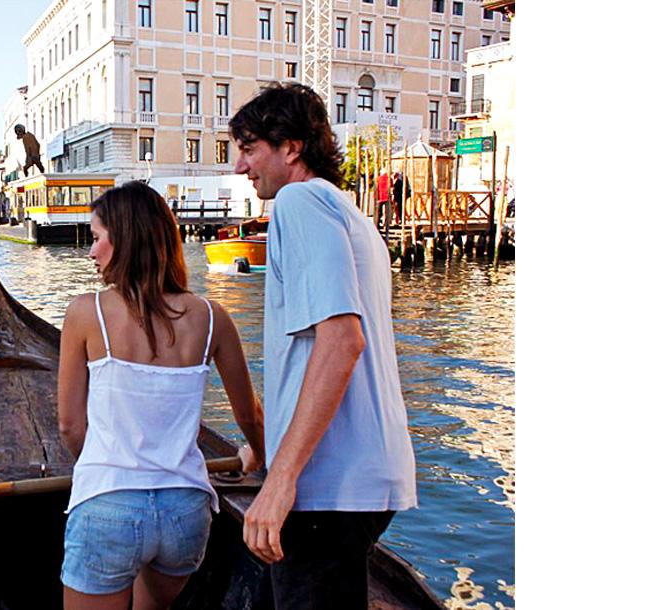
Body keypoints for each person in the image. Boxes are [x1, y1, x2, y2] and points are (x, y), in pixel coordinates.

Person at [228, 82, 418, 609]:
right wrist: (266, 452)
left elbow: (341, 341)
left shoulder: (299, 201)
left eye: (249, 148)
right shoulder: (349, 212)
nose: (242, 167)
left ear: (291, 147)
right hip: (362, 475)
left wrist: (281, 479)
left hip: (328, 486)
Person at [57, 181, 265, 610]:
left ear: (125, 240)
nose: (92, 252)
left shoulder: (85, 313)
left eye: (97, 239)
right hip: (184, 513)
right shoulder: (212, 317)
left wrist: (99, 468)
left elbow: (70, 426)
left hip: (109, 506)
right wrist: (257, 457)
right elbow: (250, 416)